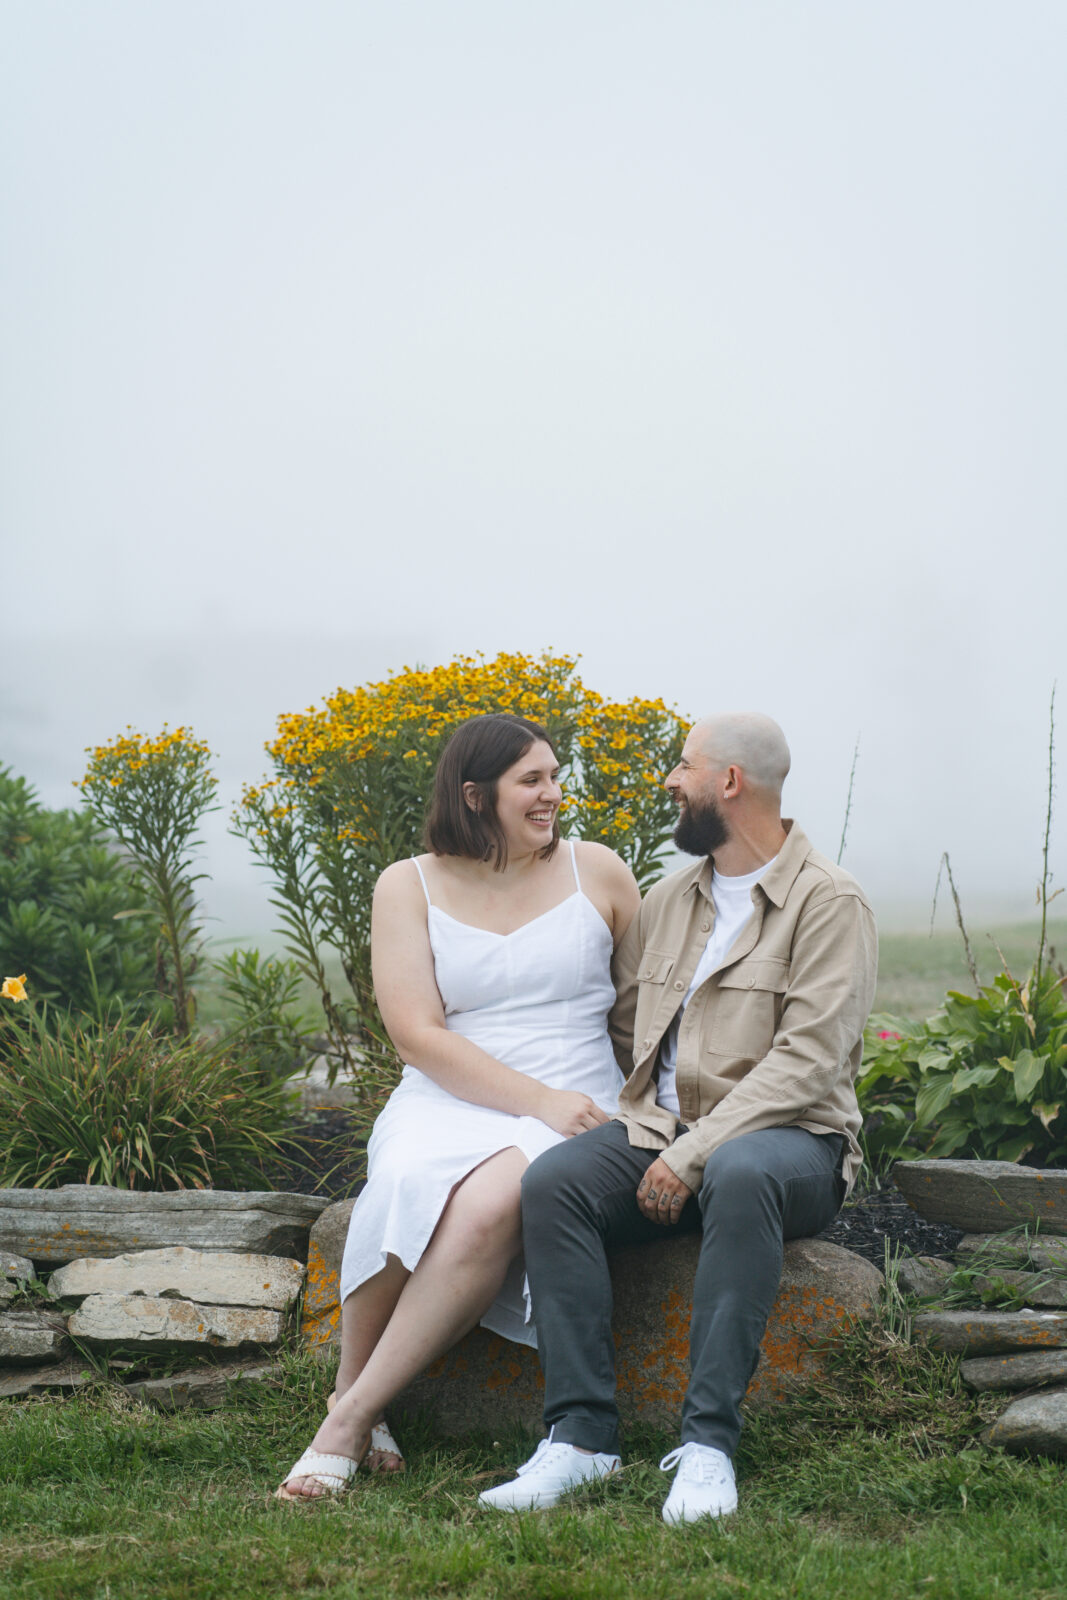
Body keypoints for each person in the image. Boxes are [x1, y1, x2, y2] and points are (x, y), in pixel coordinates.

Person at [479, 713, 877, 1524]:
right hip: (661, 1138)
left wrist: (693, 1152)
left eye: (684, 766)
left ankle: (706, 1447)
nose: (671, 778)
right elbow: (625, 1025)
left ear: (728, 782)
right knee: (554, 1182)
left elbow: (807, 1062)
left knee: (738, 1169)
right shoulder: (670, 898)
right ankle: (582, 1439)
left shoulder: (828, 901)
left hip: (791, 1146)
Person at [277, 713, 640, 1499]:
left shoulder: (599, 871)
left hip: (576, 1090)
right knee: (405, 1181)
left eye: (552, 775)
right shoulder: (407, 883)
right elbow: (415, 1032)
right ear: (476, 796)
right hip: (449, 1089)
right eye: (530, 781)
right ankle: (354, 1397)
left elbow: (644, 1011)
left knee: (484, 1207)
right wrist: (532, 1101)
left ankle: (345, 1420)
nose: (552, 794)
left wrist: (616, 1108)